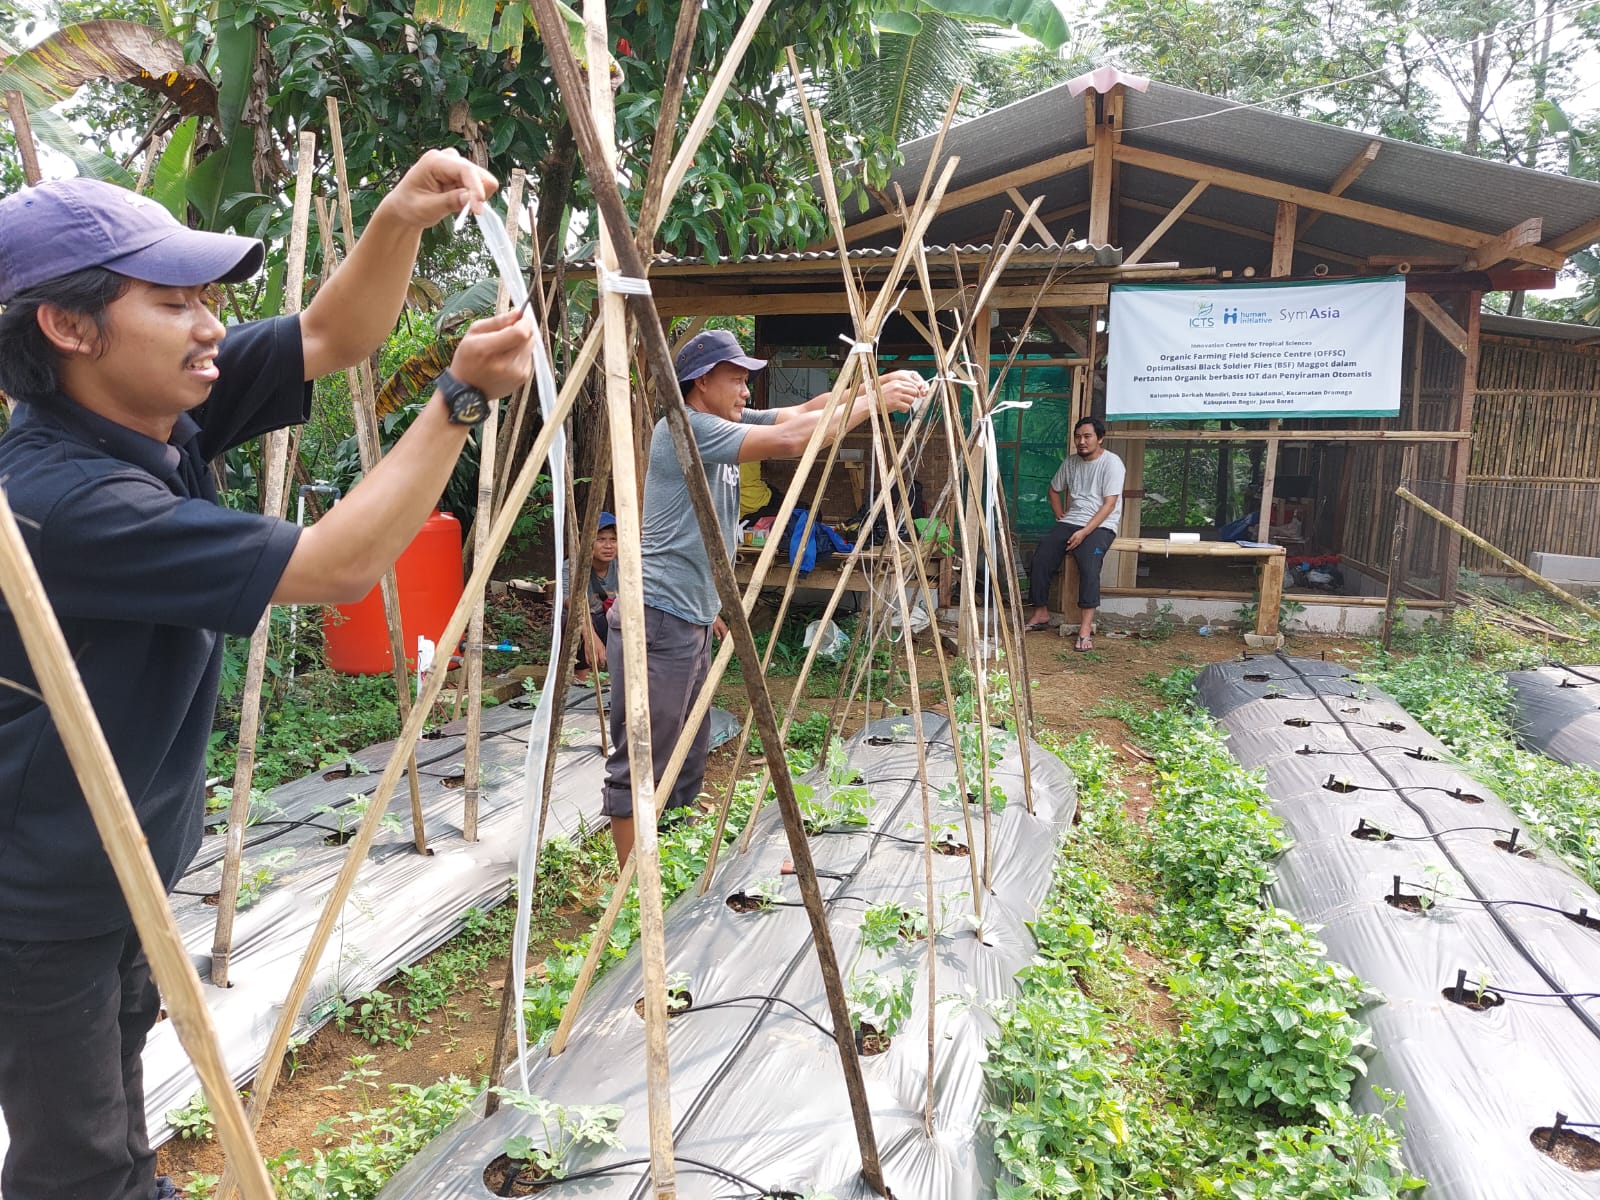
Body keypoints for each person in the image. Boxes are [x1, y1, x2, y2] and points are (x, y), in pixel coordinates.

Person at [0, 154, 535, 1200]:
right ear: (68, 328)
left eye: (207, 300)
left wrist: (396, 218)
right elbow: (337, 566)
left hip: (121, 857)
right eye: (173, 302)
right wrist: (457, 403)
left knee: (114, 1090)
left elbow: (333, 338)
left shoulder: (157, 408)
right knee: (71, 1158)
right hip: (42, 889)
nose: (209, 325)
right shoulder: (65, 502)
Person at [602, 330, 925, 866]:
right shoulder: (684, 428)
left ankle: (667, 861)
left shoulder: (723, 423)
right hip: (654, 618)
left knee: (686, 756)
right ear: (702, 381)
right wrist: (877, 403)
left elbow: (803, 411)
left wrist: (877, 381)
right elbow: (795, 441)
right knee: (642, 759)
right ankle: (634, 890)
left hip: (690, 617)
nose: (747, 391)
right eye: (737, 379)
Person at [1026, 416, 1126, 650]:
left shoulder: (1112, 463)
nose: (1081, 441)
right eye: (1078, 436)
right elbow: (1053, 489)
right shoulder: (1071, 463)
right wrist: (1060, 514)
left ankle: (1085, 627)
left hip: (1101, 524)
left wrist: (1084, 533)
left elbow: (1109, 505)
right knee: (1041, 557)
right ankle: (1041, 612)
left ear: (1100, 438)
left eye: (1087, 436)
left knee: (1090, 565)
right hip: (1072, 521)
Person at [573, 511, 619, 683]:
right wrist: (590, 636)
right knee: (573, 621)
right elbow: (570, 604)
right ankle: (582, 679)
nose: (608, 545)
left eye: (613, 539)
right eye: (601, 539)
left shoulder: (624, 567)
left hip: (609, 624)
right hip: (585, 624)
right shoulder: (573, 568)